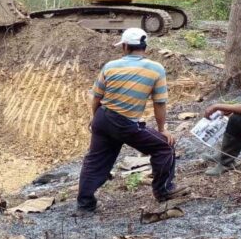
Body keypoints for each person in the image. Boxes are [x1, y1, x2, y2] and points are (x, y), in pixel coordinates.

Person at [77, 28, 183, 214]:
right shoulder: (156, 69)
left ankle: (85, 205)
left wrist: (96, 120)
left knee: (95, 160)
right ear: (145, 46)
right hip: (124, 121)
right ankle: (163, 191)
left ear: (125, 46)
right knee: (164, 147)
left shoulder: (110, 66)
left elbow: (96, 98)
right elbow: (159, 102)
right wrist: (162, 129)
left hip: (103, 116)